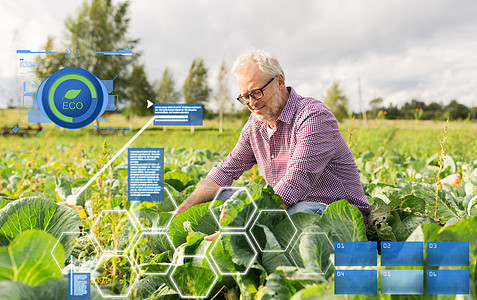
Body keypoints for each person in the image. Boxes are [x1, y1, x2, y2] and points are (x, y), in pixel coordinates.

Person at [175, 49, 370, 231]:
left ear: (279, 81)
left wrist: (241, 229)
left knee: (295, 215)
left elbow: (295, 183)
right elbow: (227, 168)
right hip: (288, 206)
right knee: (220, 198)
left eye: (256, 92)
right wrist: (182, 210)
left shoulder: (313, 117)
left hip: (336, 213)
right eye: (245, 97)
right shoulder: (255, 125)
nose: (251, 103)